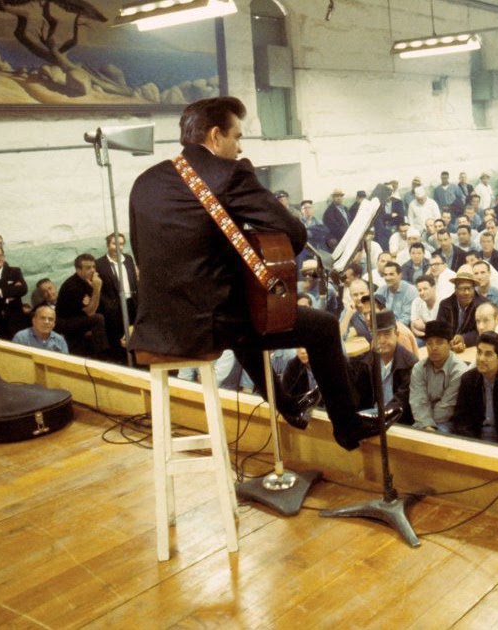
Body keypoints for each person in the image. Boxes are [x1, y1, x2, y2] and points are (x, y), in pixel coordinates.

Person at [127, 96, 382, 450]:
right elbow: (294, 234)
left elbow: (143, 252)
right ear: (216, 137)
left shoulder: (145, 181)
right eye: (237, 137)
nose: (240, 146)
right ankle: (348, 426)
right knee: (321, 327)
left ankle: (288, 405)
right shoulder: (229, 174)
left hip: (158, 326)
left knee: (245, 317)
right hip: (208, 327)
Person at [350, 312, 417, 425]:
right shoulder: (367, 361)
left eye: (387, 334)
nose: (381, 340)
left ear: (397, 333)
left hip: (398, 419)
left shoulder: (410, 364)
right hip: (371, 415)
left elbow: (402, 403)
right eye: (377, 335)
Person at [408, 320, 470, 433]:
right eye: (429, 343)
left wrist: (427, 424)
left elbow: (447, 408)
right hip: (422, 419)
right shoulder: (419, 368)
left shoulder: (459, 371)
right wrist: (426, 424)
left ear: (450, 344)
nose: (434, 347)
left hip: (447, 422)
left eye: (439, 342)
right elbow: (417, 400)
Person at [55, 254, 110, 358]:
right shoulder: (73, 286)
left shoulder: (88, 280)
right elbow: (91, 312)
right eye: (88, 268)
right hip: (66, 322)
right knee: (98, 318)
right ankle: (102, 356)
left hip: (81, 316)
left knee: (110, 309)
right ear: (78, 270)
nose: (93, 270)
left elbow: (97, 304)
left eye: (94, 267)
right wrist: (97, 289)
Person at [96, 232, 139, 358]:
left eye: (121, 244)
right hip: (114, 307)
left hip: (131, 303)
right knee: (118, 337)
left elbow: (133, 281)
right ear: (108, 245)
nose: (118, 247)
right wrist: (108, 305)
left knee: (133, 332)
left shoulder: (128, 259)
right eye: (115, 244)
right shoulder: (100, 264)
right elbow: (99, 288)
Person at [439, 270, 488, 352]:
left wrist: (464, 339)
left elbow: (484, 331)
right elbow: (440, 329)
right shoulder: (445, 305)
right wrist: (451, 342)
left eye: (470, 288)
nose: (467, 292)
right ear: (455, 290)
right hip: (448, 347)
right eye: (463, 289)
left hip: (474, 347)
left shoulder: (483, 305)